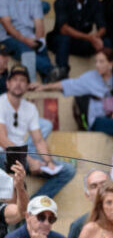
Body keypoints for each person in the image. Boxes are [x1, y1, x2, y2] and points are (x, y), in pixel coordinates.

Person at [0, 63, 75, 199]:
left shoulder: (30, 108)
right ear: (8, 83)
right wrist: (29, 159)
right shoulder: (1, 103)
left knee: (68, 170)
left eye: (23, 81)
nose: (18, 84)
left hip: (22, 158)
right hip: (4, 154)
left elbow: (39, 140)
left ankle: (32, 206)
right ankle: (19, 207)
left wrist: (48, 162)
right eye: (15, 80)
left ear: (28, 86)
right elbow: (3, 140)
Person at [31, 47, 113, 142]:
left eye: (101, 62)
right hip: (98, 120)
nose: (97, 65)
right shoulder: (91, 77)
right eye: (96, 61)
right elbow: (69, 84)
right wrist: (44, 86)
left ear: (111, 63)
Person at [45, 0, 107, 81]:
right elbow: (64, 29)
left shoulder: (94, 2)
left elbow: (102, 27)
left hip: (82, 42)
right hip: (60, 42)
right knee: (64, 38)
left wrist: (96, 37)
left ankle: (108, 75)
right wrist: (90, 38)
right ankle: (62, 73)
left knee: (106, 42)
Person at [0, 0, 54, 82]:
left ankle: (47, 80)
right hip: (9, 38)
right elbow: (7, 25)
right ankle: (46, 73)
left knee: (42, 48)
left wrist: (38, 40)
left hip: (30, 36)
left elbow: (39, 23)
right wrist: (25, 40)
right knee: (25, 49)